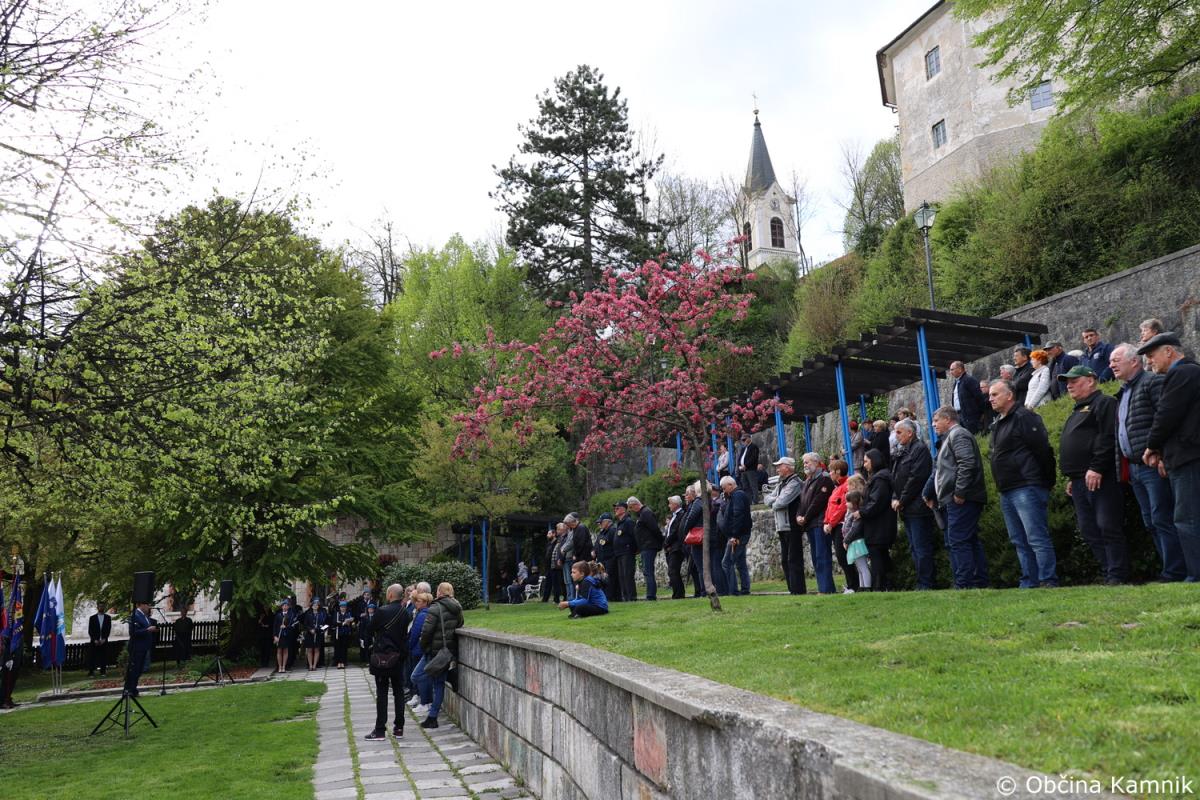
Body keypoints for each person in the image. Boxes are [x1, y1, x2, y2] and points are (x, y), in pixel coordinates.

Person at [1110, 343, 1187, 582]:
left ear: (1134, 361)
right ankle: (1170, 569)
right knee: (1151, 521)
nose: (1111, 365)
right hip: (1134, 467)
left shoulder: (1152, 383)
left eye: (1116, 360)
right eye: (1110, 361)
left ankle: (1175, 571)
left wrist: (1162, 454)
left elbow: (1164, 420)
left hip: (1152, 465)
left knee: (1162, 518)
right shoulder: (1123, 392)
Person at [1139, 332, 1200, 580]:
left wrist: (1152, 446)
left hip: (1188, 457)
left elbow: (1166, 414)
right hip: (1186, 454)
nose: (1149, 361)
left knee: (1187, 518)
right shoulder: (1190, 372)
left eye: (1152, 355)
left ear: (1169, 351)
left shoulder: (1182, 373)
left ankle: (1195, 575)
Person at [1059, 365, 1128, 584]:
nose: (1069, 386)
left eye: (1074, 381)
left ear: (1090, 380)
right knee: (1088, 529)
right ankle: (1109, 571)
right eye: (1067, 382)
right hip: (1080, 480)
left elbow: (1107, 437)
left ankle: (1117, 574)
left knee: (1107, 525)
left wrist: (1097, 467)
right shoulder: (1077, 410)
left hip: (1100, 477)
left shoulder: (1104, 402)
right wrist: (1073, 477)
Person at [988, 379, 1059, 588]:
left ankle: (1047, 580)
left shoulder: (1024, 417)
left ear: (1009, 395)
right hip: (1007, 489)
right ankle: (1030, 581)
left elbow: (1043, 450)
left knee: (1036, 537)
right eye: (990, 395)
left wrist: (1047, 481)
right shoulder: (998, 422)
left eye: (995, 394)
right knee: (1019, 539)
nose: (990, 398)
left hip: (1026, 485)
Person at [923, 406, 989, 589]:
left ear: (948, 419)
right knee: (969, 540)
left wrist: (960, 492)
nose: (933, 424)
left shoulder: (958, 435)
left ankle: (964, 584)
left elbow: (967, 463)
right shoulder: (951, 437)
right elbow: (941, 471)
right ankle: (978, 582)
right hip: (957, 498)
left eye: (936, 420)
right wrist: (929, 492)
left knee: (959, 540)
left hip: (962, 499)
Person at [363, 583, 412, 741]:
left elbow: (369, 629)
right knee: (399, 692)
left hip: (383, 656)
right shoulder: (406, 613)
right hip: (398, 657)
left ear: (390, 595)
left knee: (382, 693)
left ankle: (379, 730)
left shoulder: (382, 611)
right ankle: (399, 728)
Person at [891, 420, 936, 590]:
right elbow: (896, 477)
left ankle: (926, 583)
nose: (896, 436)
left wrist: (901, 500)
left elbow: (916, 478)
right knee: (914, 547)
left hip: (918, 507)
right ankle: (921, 582)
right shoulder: (902, 451)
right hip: (907, 507)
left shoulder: (919, 449)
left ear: (910, 433)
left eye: (899, 432)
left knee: (921, 547)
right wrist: (895, 497)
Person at [414, 582, 464, 729]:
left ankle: (432, 717)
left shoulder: (435, 607)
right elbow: (460, 624)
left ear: (439, 592)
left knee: (418, 676)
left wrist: (424, 646)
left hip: (434, 652)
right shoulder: (457, 607)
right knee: (438, 683)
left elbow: (426, 631)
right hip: (447, 651)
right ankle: (449, 677)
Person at [763, 456, 806, 595]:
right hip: (782, 526)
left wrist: (775, 500)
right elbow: (767, 499)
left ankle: (798, 590)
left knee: (793, 559)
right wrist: (776, 499)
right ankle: (792, 589)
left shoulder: (795, 482)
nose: (777, 469)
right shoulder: (782, 483)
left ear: (787, 467)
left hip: (792, 526)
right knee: (785, 560)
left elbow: (781, 502)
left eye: (779, 466)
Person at [795, 453, 835, 594]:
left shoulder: (824, 479)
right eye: (804, 463)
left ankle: (826, 589)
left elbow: (818, 502)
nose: (805, 465)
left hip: (820, 523)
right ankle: (823, 588)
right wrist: (798, 516)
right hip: (810, 524)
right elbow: (802, 502)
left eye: (807, 462)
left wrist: (805, 517)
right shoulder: (807, 481)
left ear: (817, 462)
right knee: (816, 558)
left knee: (822, 556)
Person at [858, 449, 897, 591]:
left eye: (866, 461)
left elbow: (876, 502)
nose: (864, 465)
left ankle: (879, 586)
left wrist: (861, 512)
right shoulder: (880, 477)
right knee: (881, 555)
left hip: (879, 526)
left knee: (877, 556)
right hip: (879, 525)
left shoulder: (880, 479)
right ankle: (886, 585)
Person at [823, 460, 857, 593]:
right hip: (834, 526)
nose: (830, 473)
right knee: (842, 557)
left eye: (831, 471)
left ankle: (854, 585)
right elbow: (830, 507)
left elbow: (842, 507)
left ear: (838, 472)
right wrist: (826, 522)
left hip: (841, 526)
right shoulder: (837, 488)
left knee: (843, 556)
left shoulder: (846, 485)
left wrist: (830, 523)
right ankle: (851, 584)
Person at [718, 476, 753, 595]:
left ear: (730, 485)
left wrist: (734, 535)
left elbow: (738, 516)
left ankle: (733, 590)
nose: (723, 491)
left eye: (724, 488)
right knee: (740, 562)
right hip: (740, 534)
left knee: (727, 562)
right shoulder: (736, 496)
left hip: (738, 536)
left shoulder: (737, 496)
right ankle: (745, 589)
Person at [628, 497, 663, 601]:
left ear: (635, 504)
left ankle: (651, 595)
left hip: (649, 546)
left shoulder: (646, 513)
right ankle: (650, 594)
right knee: (647, 571)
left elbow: (655, 528)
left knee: (648, 571)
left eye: (631, 507)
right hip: (645, 546)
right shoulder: (642, 514)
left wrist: (661, 541)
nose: (631, 510)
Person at [125, 600, 157, 697]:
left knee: (139, 670)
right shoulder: (135, 615)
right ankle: (129, 689)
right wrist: (147, 630)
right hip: (137, 647)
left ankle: (133, 689)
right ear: (140, 605)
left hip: (144, 646)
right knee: (135, 669)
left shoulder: (144, 616)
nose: (148, 606)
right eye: (146, 604)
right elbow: (133, 632)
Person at [841, 491, 871, 592]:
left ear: (854, 502)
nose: (846, 504)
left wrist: (846, 540)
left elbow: (854, 529)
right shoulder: (850, 513)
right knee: (859, 568)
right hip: (853, 544)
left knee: (863, 566)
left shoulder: (857, 515)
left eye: (848, 501)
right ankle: (862, 587)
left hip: (857, 543)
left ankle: (867, 587)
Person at [405, 592, 431, 709]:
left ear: (425, 603)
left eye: (419, 601)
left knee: (417, 676)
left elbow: (415, 632)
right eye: (416, 601)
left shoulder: (422, 615)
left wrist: (409, 645)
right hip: (417, 649)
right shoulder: (422, 613)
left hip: (417, 649)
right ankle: (420, 698)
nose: (416, 603)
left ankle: (423, 701)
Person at [948, 361, 988, 434]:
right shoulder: (957, 382)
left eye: (952, 369)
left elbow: (979, 397)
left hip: (971, 417)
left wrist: (981, 413)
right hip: (960, 415)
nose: (950, 372)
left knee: (973, 435)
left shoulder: (969, 380)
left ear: (960, 369)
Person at [662, 497, 688, 600]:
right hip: (672, 547)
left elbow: (675, 532)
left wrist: (666, 543)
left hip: (676, 547)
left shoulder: (681, 515)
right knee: (673, 571)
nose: (669, 506)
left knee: (673, 570)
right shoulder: (674, 516)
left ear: (676, 504)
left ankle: (678, 594)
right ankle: (678, 593)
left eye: (670, 504)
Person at [682, 484, 705, 597]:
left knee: (699, 567)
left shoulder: (696, 503)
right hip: (692, 541)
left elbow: (690, 519)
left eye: (687, 494)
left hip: (696, 539)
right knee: (696, 567)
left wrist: (686, 530)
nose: (685, 497)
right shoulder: (693, 504)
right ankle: (700, 590)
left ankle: (702, 591)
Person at [612, 502, 638, 601]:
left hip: (627, 552)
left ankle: (631, 597)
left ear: (623, 509)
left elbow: (634, 536)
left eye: (617, 508)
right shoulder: (620, 522)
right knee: (622, 576)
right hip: (619, 553)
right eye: (615, 508)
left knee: (628, 575)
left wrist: (633, 549)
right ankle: (626, 597)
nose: (615, 510)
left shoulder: (628, 522)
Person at [592, 513, 618, 601]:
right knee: (603, 578)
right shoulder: (602, 532)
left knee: (610, 578)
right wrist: (594, 551)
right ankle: (606, 596)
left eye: (601, 522)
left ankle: (611, 597)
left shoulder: (612, 531)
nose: (599, 524)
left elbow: (615, 545)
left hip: (610, 559)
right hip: (602, 560)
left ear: (607, 521)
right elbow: (597, 544)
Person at [301, 597, 328, 671]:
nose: (315, 606)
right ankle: (310, 665)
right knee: (309, 650)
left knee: (317, 650)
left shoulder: (321, 614)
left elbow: (325, 624)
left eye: (316, 605)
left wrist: (319, 629)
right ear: (312, 606)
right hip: (309, 634)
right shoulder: (308, 614)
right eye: (314, 605)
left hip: (318, 634)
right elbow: (305, 624)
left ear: (318, 606)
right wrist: (310, 629)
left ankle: (314, 665)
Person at [272, 598, 296, 674]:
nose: (285, 607)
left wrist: (286, 627)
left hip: (286, 636)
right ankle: (279, 666)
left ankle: (284, 667)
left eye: (286, 605)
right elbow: (275, 626)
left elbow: (292, 626)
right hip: (279, 636)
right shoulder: (278, 615)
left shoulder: (291, 615)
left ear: (288, 607)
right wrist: (275, 636)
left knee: (285, 651)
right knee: (279, 651)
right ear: (282, 606)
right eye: (284, 605)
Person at [87, 606, 112, 677]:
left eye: (102, 606)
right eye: (100, 606)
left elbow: (108, 629)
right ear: (97, 608)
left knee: (103, 657)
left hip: (104, 640)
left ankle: (103, 672)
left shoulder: (108, 618)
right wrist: (94, 639)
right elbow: (90, 630)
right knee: (92, 656)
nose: (101, 608)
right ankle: (91, 672)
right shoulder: (92, 618)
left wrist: (104, 638)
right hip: (94, 641)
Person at [736, 434, 761, 502]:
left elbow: (753, 458)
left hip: (751, 469)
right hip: (743, 470)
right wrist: (739, 466)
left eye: (744, 439)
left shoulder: (754, 447)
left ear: (749, 438)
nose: (743, 441)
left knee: (753, 485)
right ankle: (748, 501)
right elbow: (740, 458)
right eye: (742, 440)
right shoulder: (743, 449)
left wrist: (746, 465)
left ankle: (755, 500)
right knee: (745, 486)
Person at [333, 600, 355, 669]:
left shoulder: (348, 614)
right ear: (340, 607)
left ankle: (343, 662)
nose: (343, 608)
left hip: (345, 633)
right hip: (338, 633)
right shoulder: (337, 614)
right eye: (342, 607)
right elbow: (334, 623)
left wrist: (350, 622)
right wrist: (343, 623)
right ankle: (338, 662)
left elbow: (350, 623)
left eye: (344, 607)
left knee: (344, 648)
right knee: (338, 648)